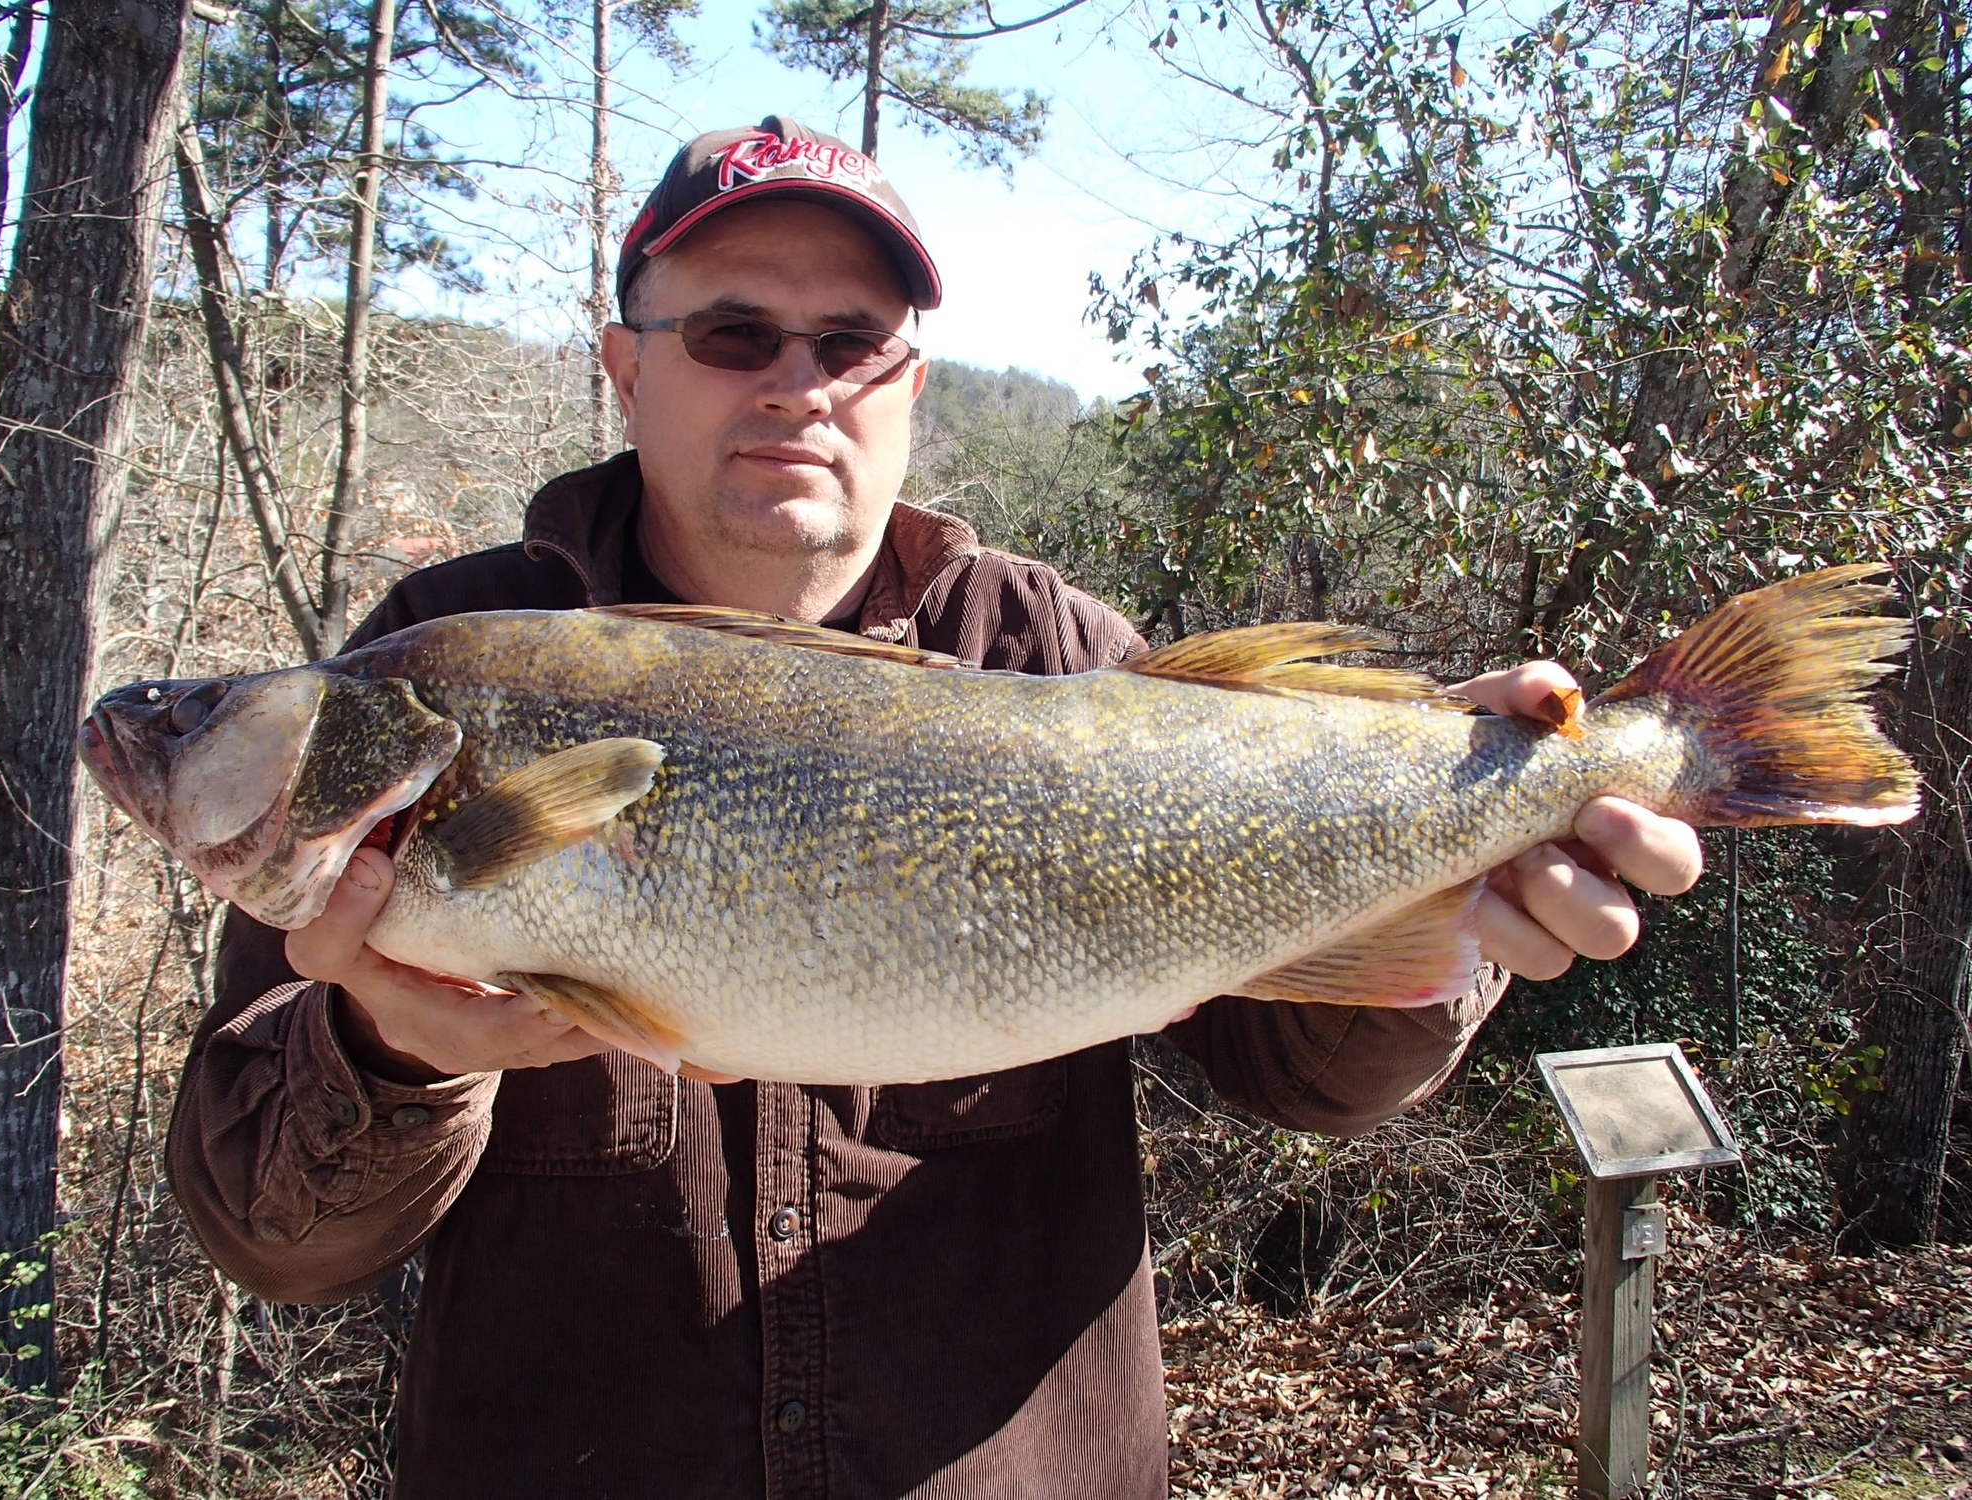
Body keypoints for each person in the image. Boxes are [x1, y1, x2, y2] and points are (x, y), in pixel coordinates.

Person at [167, 116, 1702, 1499]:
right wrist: (395, 1050)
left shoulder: (1065, 656)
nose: (798, 384)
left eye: (851, 342)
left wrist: (1466, 877)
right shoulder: (440, 660)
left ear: (909, 384)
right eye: (733, 333)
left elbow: (1306, 1075)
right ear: (626, 366)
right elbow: (271, 1237)